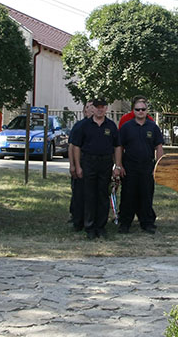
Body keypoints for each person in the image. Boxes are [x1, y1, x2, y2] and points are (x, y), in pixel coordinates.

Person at [70, 98, 122, 239]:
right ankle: (90, 227)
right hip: (88, 162)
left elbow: (117, 147)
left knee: (103, 195)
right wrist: (77, 166)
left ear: (106, 109)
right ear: (93, 108)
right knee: (89, 195)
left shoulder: (111, 126)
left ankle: (101, 226)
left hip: (105, 163)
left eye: (102, 107)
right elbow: (76, 147)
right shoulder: (84, 125)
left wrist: (117, 166)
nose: (100, 109)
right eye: (97, 107)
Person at [117, 100, 163, 234]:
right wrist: (119, 165)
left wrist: (159, 166)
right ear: (133, 111)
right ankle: (124, 223)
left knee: (146, 195)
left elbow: (159, 147)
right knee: (127, 195)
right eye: (137, 109)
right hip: (129, 167)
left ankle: (147, 223)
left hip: (147, 166)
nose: (140, 112)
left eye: (143, 109)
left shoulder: (153, 127)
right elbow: (119, 147)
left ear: (146, 111)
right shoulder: (126, 127)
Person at [68, 102, 94, 231]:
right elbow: (72, 146)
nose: (92, 109)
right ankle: (77, 219)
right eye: (89, 107)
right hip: (81, 162)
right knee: (79, 193)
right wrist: (73, 165)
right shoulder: (79, 126)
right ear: (84, 111)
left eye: (94, 107)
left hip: (95, 165)